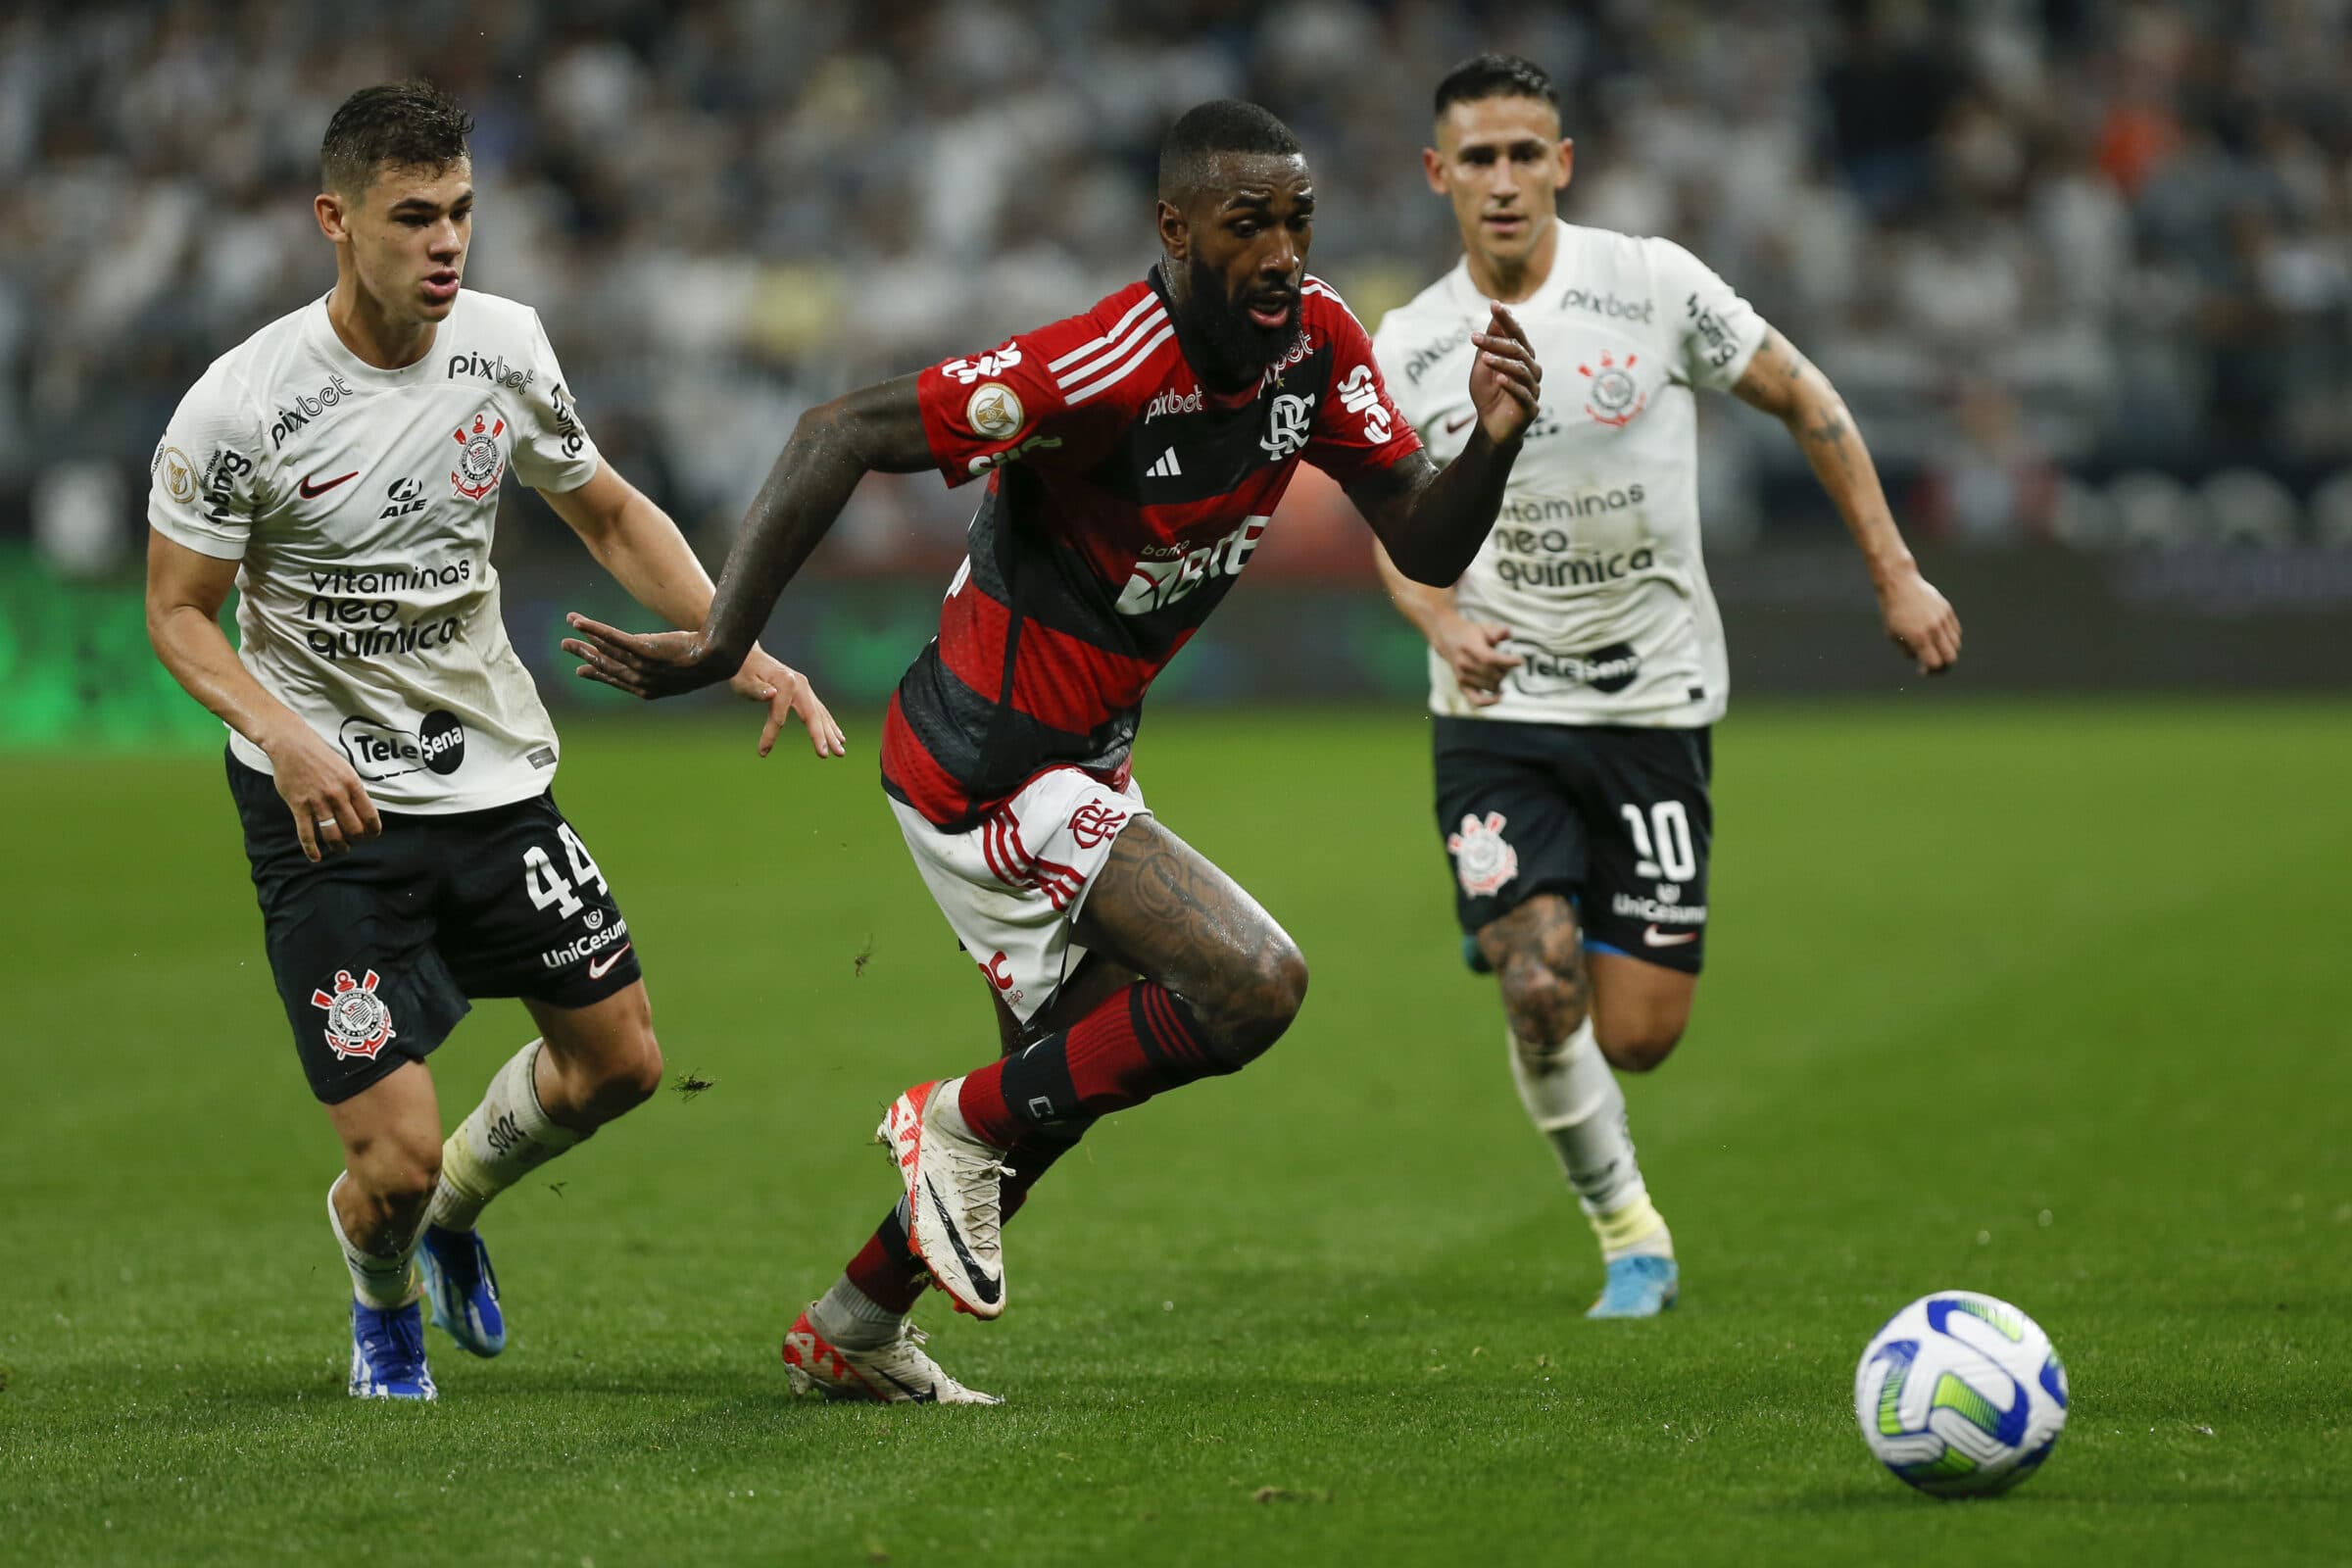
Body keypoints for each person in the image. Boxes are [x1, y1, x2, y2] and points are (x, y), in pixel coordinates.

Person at [564, 99, 1542, 1403]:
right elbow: (839, 432)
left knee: (1065, 1084)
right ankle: (946, 1119)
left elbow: (1422, 539)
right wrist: (720, 638)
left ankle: (852, 1326)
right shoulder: (1100, 367)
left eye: (1298, 220)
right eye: (1247, 224)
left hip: (1076, 761)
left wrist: (1495, 439)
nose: (1281, 251)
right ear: (1176, 229)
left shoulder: (1316, 347)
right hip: (982, 767)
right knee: (1251, 986)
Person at [143, 80, 844, 1401]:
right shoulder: (241, 405)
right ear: (334, 221)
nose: (448, 242)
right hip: (326, 808)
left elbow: (612, 514)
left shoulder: (505, 346)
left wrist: (737, 646)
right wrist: (282, 736)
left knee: (623, 1063)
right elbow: (176, 617)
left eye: (463, 211)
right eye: (415, 217)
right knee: (387, 1161)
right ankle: (383, 1286)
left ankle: (455, 1213)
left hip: (491, 780)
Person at [1369, 56, 1961, 1319]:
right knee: (1539, 984)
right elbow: (1392, 531)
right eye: (1480, 158)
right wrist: (1438, 614)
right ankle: (1630, 1234)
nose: (1506, 180)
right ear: (1439, 176)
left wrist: (1896, 576)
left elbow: (1806, 398)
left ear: (1564, 162)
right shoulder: (1410, 344)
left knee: (1639, 1032)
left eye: (1528, 153)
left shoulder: (1651, 286)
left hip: (1654, 704)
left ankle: (1550, 911)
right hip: (1498, 715)